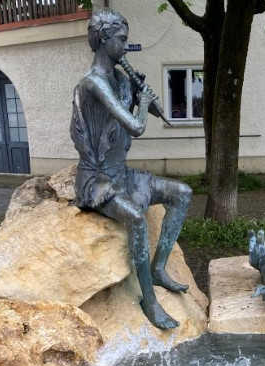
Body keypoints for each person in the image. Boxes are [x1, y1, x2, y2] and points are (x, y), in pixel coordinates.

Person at [70, 9, 192, 329]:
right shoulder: (93, 84)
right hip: (98, 181)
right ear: (105, 40)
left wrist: (139, 94)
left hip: (121, 174)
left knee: (182, 192)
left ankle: (158, 268)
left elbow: (127, 118)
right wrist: (144, 105)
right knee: (136, 218)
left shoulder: (120, 79)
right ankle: (149, 301)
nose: (125, 47)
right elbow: (135, 127)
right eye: (122, 40)